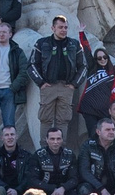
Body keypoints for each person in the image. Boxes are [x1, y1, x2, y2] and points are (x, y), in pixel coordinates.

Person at [31, 14, 85, 143]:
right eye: (60, 27)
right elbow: (32, 65)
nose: (63, 30)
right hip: (48, 86)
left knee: (63, 120)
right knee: (45, 120)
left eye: (66, 27)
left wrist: (74, 84)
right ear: (53, 28)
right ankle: (44, 150)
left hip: (67, 87)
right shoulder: (42, 43)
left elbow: (83, 66)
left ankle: (61, 150)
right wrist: (41, 83)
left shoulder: (74, 44)